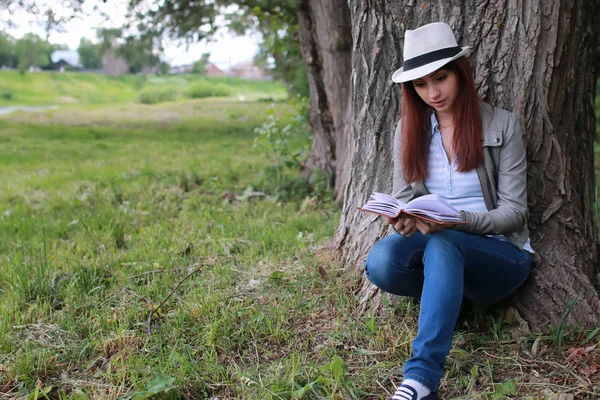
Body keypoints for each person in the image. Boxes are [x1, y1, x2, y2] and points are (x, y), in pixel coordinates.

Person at [364, 22, 534, 400]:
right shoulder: (408, 129)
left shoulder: (502, 124)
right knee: (381, 261)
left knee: (445, 243)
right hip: (438, 242)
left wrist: (460, 221)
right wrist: (403, 219)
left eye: (440, 78)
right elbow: (405, 195)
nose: (433, 92)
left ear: (461, 72)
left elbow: (515, 213)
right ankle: (448, 297)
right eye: (421, 85)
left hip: (499, 252)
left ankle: (421, 379)